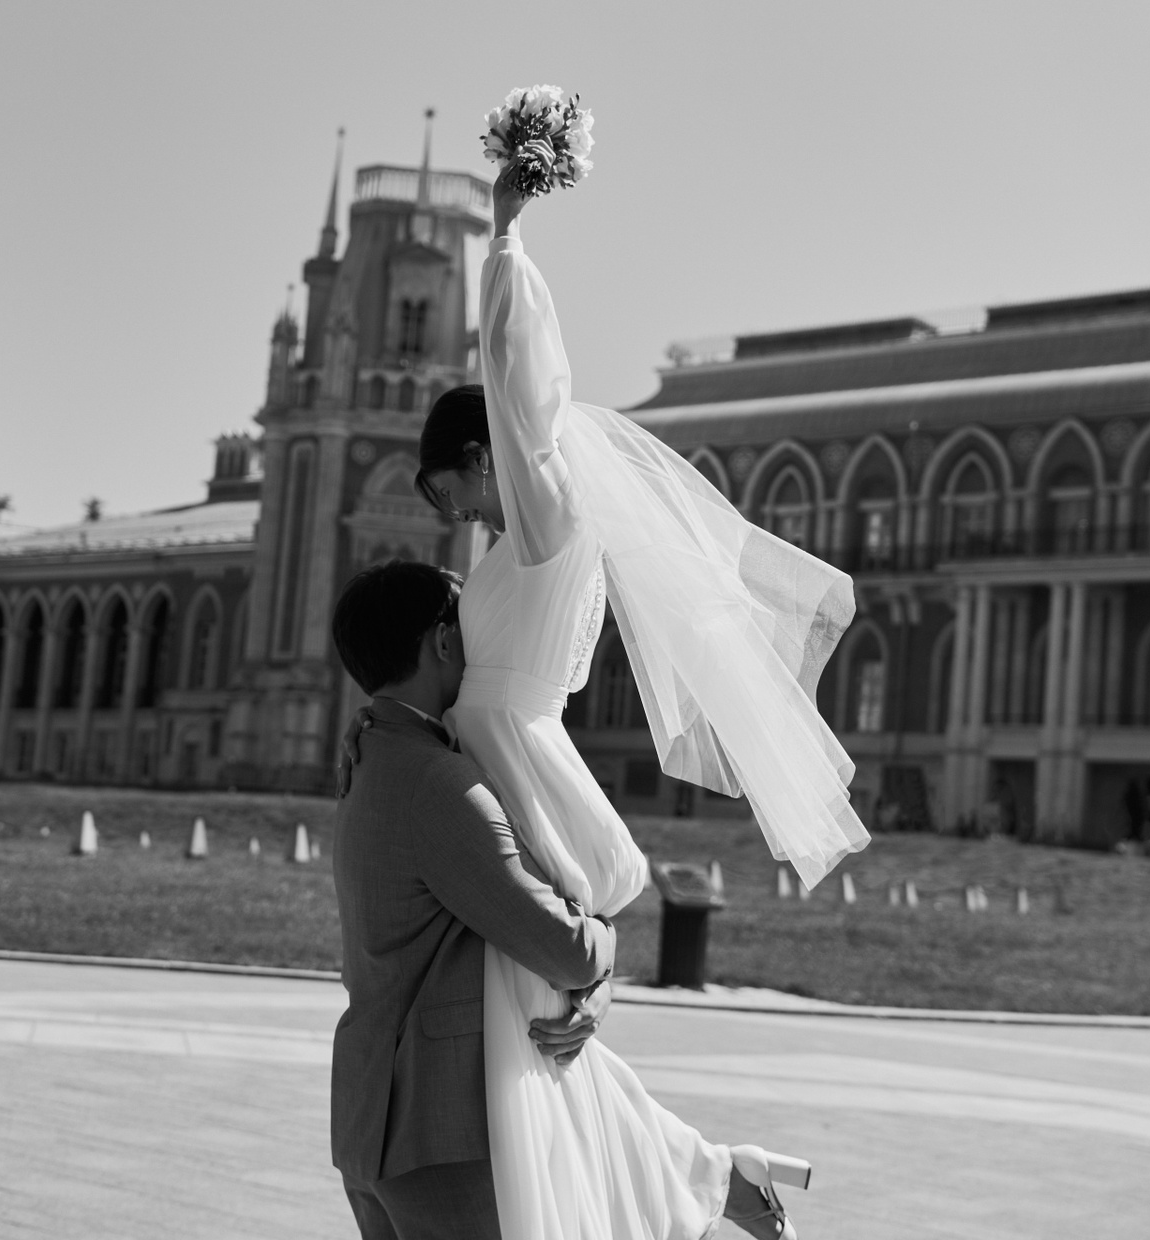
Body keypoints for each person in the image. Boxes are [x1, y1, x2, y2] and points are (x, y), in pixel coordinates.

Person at [342, 167, 867, 1238]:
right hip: (501, 766)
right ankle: (719, 1174)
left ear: (487, 455)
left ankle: (711, 1177)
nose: (454, 515)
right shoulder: (509, 547)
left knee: (539, 1037)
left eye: (450, 490)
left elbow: (515, 374)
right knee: (543, 1051)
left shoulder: (546, 519)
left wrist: (505, 235)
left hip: (516, 775)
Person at [327, 558, 620, 1240]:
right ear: (443, 641)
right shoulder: (441, 785)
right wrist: (607, 938)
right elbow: (565, 950)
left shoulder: (371, 751)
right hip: (435, 1130)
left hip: (374, 1113)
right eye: (469, 622)